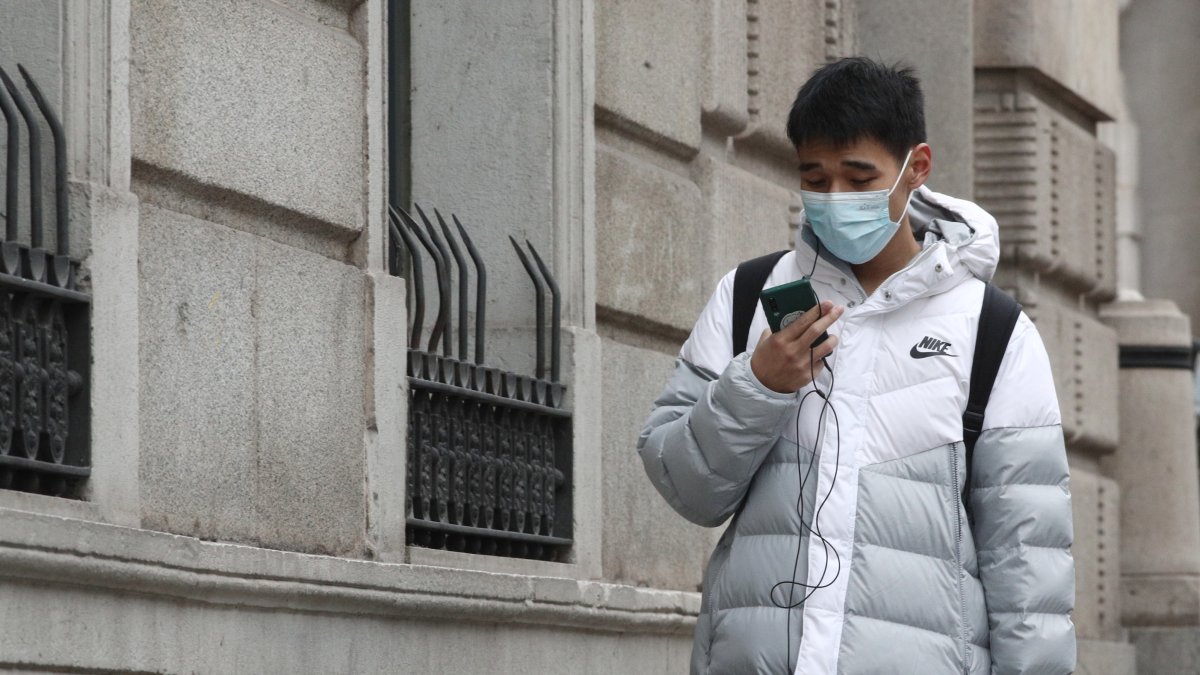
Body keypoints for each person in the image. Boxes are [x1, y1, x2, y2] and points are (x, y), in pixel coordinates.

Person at [637, 57, 1076, 674]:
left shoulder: (994, 329)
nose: (834, 198)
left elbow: (1028, 558)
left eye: (857, 176)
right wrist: (758, 386)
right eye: (814, 179)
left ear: (915, 167)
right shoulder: (747, 297)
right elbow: (686, 487)